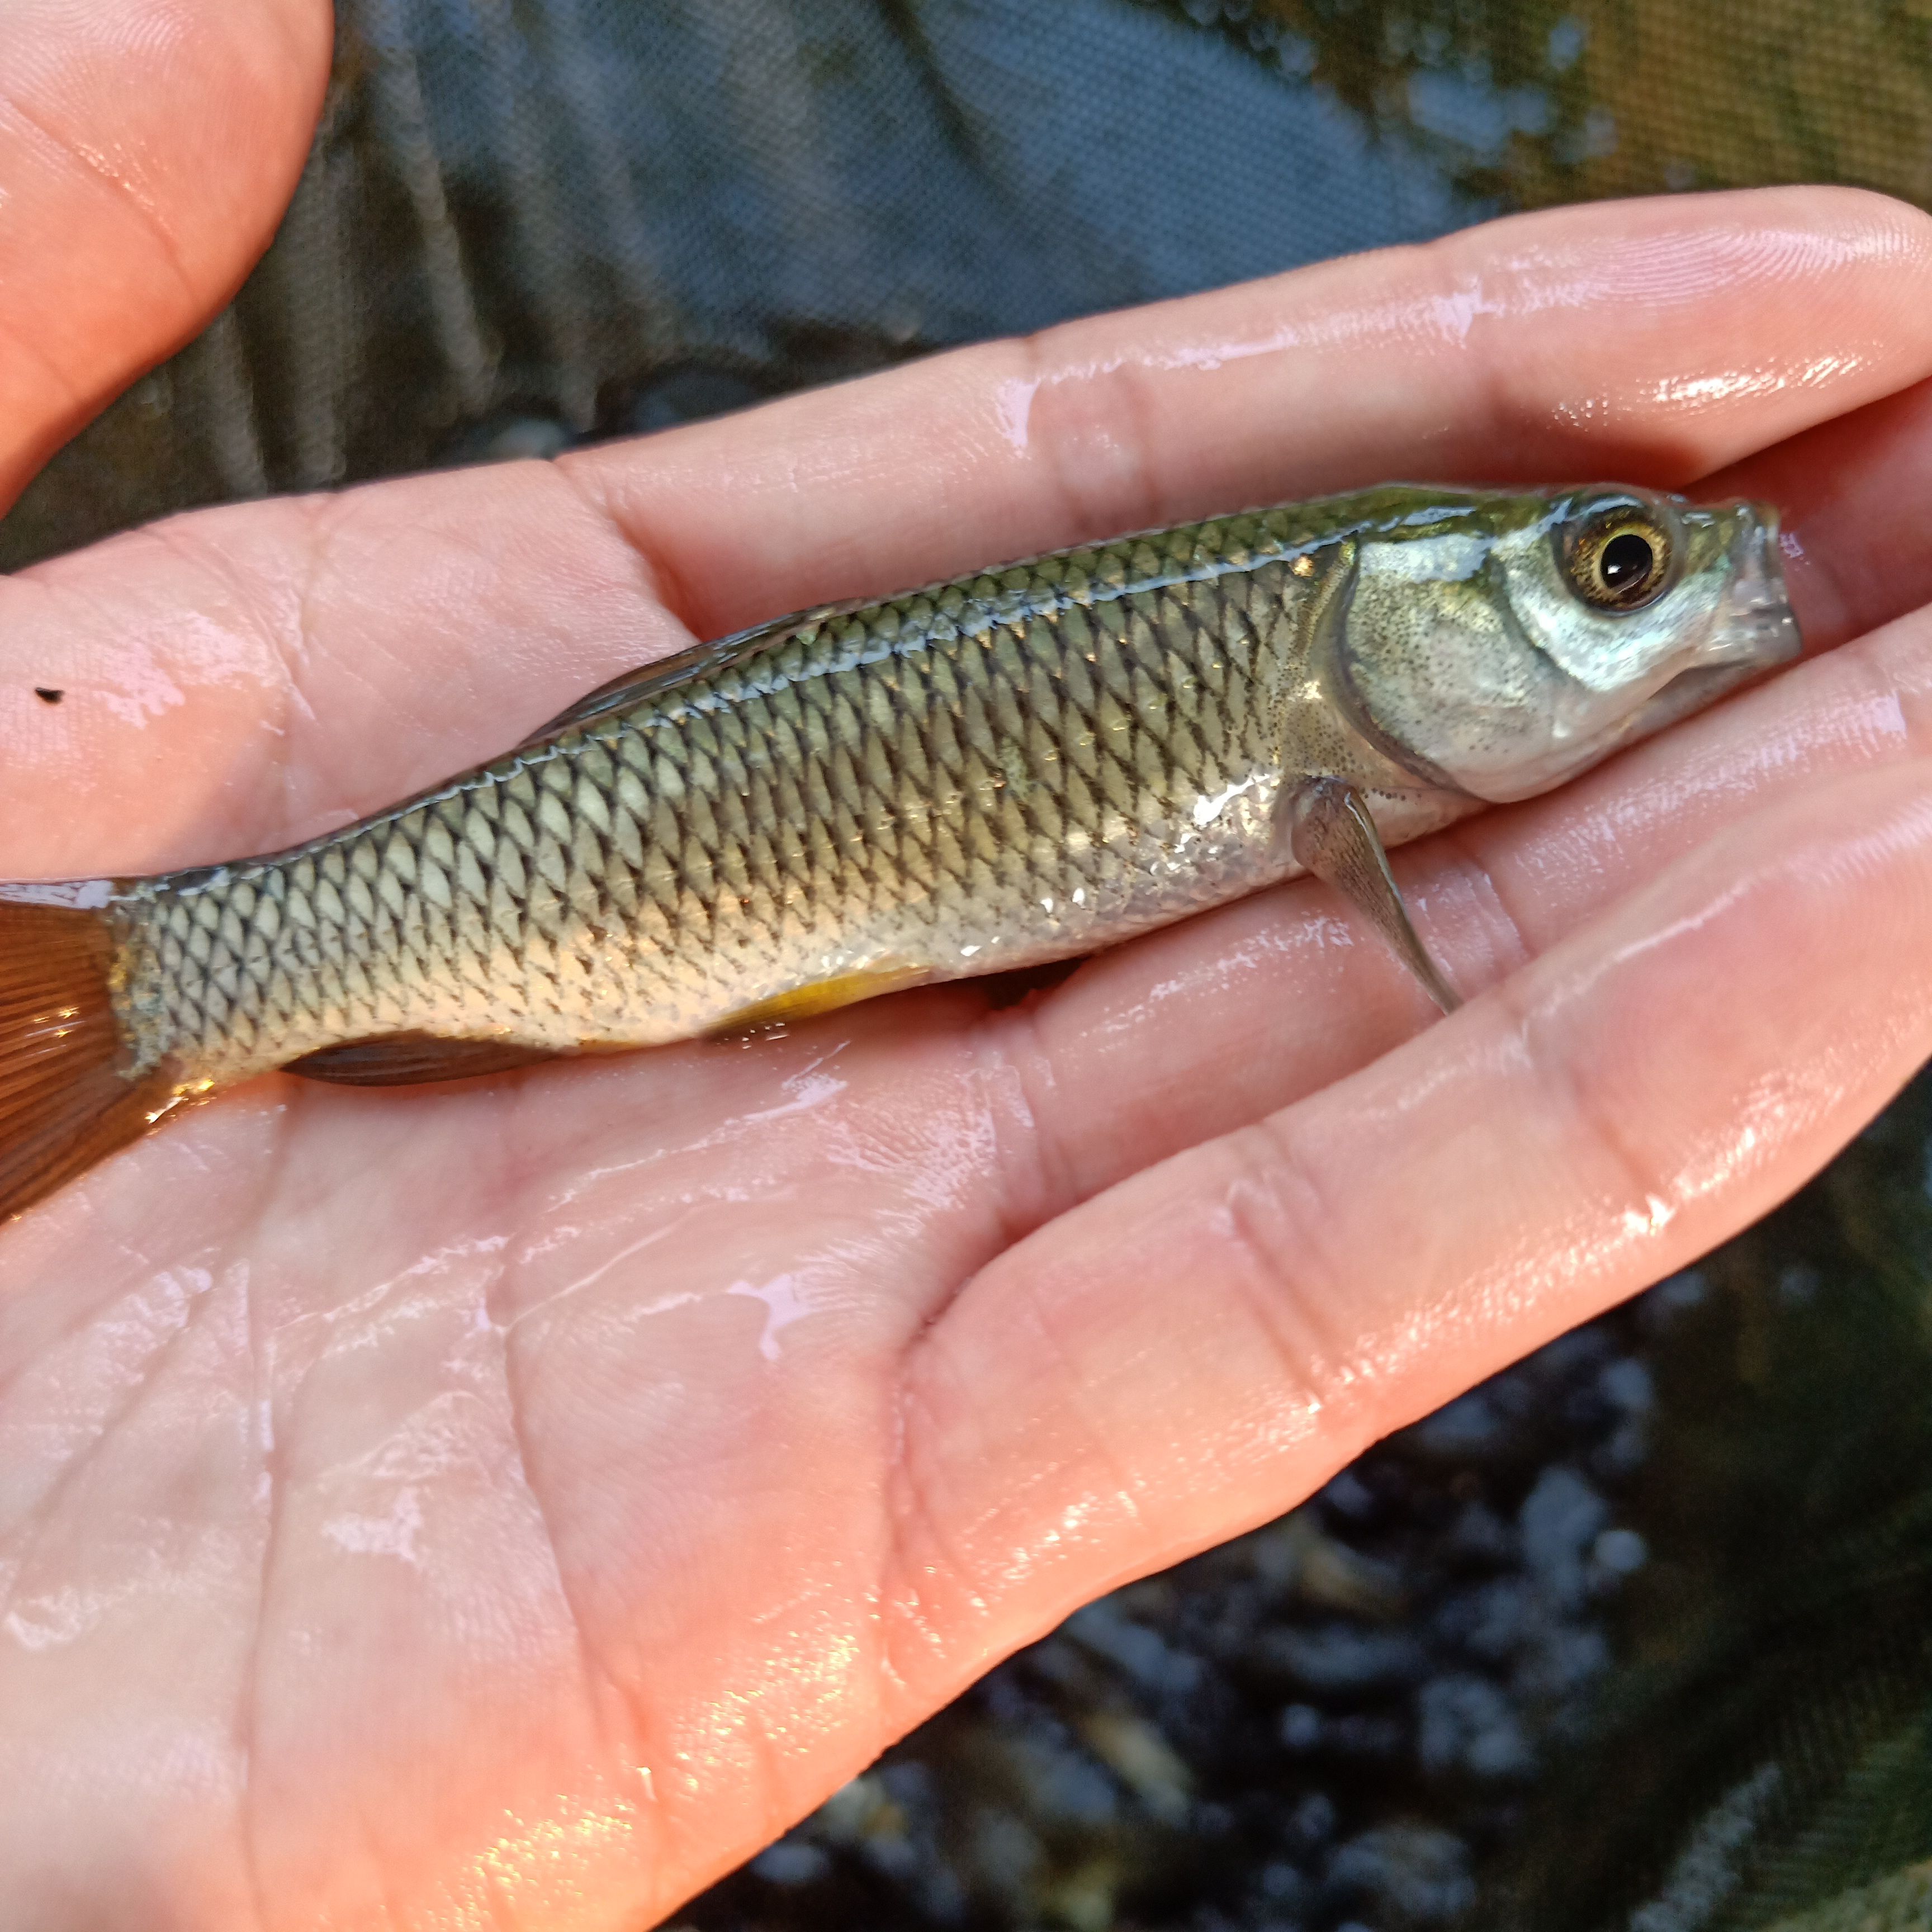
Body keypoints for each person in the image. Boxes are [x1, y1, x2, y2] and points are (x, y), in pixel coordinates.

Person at [5, 1, 1932, 1923]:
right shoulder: (1332, 755)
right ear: (1376, 638)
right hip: (685, 857)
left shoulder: (1339, 709)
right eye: (1616, 576)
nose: (1683, 593)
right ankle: (160, 985)